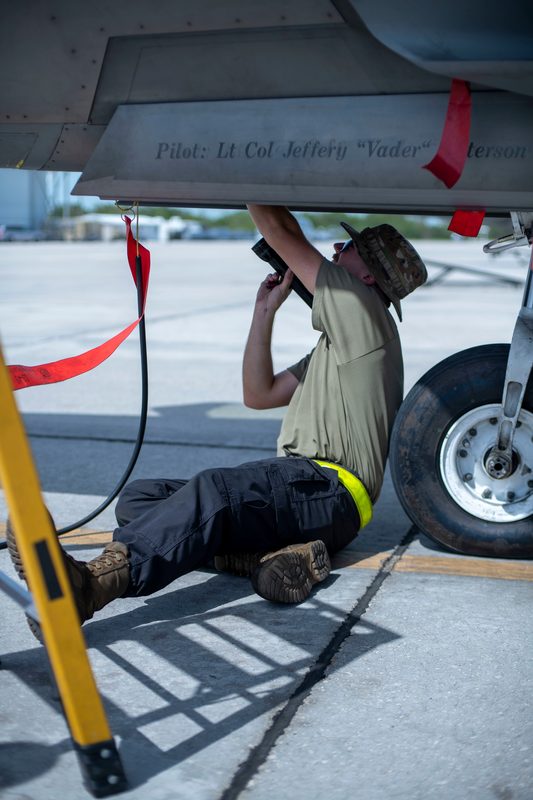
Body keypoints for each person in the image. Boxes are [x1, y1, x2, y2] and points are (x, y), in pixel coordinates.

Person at [7, 206, 427, 631]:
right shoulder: (345, 344)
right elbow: (258, 394)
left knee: (213, 492)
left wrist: (238, 159)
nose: (337, 248)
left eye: (351, 246)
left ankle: (89, 585)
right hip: (311, 497)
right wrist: (264, 314)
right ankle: (265, 559)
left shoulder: (364, 312)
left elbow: (279, 228)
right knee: (140, 500)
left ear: (369, 277)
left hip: (330, 489)